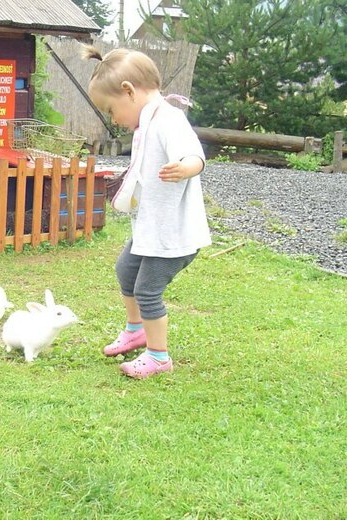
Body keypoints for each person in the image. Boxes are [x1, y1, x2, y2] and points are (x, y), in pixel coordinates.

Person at [83, 46, 211, 379]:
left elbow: (195, 156)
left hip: (173, 233)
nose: (113, 120)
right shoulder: (148, 122)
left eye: (111, 110)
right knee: (126, 270)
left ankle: (158, 356)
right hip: (151, 228)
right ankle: (136, 330)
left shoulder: (169, 119)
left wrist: (185, 167)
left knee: (147, 290)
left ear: (129, 91)